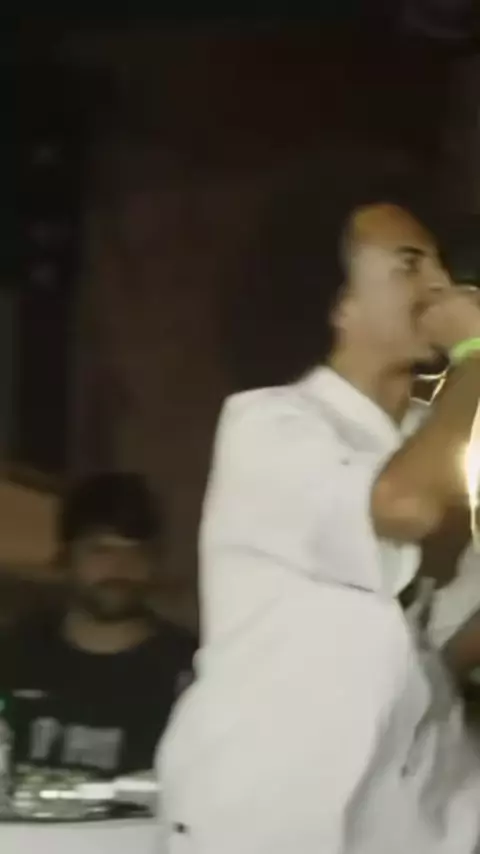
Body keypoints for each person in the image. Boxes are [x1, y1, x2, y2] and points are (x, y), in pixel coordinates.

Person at [159, 199, 480, 853]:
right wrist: (475, 354)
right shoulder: (269, 427)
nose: (441, 286)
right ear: (340, 305)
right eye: (410, 265)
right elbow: (404, 506)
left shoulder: (437, 437)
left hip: (410, 815)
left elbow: (442, 633)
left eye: (442, 266)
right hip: (267, 814)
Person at [0, 473, 196, 778]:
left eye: (136, 551)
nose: (120, 567)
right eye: (101, 550)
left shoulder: (189, 670)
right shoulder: (15, 653)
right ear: (66, 556)